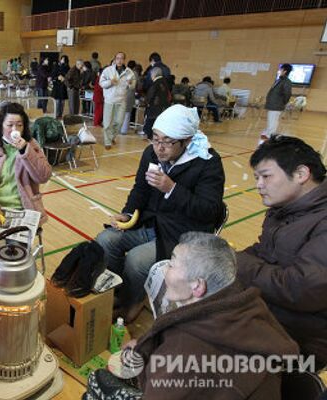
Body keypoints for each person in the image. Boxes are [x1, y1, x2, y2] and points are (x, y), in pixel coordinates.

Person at [129, 232, 299, 399]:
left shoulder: (184, 351)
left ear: (197, 286)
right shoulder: (250, 306)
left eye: (172, 264)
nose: (165, 268)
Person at [95, 104, 225, 321]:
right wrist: (128, 214)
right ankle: (119, 291)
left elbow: (209, 211)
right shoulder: (151, 154)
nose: (159, 147)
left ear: (187, 141)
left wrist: (172, 189)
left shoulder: (207, 163)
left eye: (168, 141)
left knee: (137, 261)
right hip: (150, 223)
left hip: (182, 232)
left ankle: (132, 301)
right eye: (155, 138)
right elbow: (140, 189)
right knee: (106, 240)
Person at [236, 135, 327, 367]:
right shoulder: (283, 209)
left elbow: (301, 289)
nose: (258, 185)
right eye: (257, 177)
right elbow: (263, 251)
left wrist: (237, 263)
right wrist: (222, 258)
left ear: (301, 174)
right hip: (268, 310)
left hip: (303, 336)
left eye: (265, 176)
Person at [0, 102, 51, 270]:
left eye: (19, 125)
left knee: (15, 246)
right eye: (10, 125)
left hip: (23, 209)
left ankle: (13, 280)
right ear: (1, 126)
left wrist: (24, 151)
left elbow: (44, 176)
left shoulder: (32, 146)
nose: (14, 129)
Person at [100, 52, 135, 150]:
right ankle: (107, 141)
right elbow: (101, 83)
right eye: (117, 58)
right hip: (109, 100)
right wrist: (110, 82)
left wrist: (130, 84)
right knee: (107, 123)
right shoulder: (108, 70)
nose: (119, 60)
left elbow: (133, 86)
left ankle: (111, 137)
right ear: (115, 59)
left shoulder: (129, 72)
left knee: (119, 122)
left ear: (124, 60)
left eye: (122, 58)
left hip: (121, 100)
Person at [261, 64, 292, 141]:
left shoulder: (286, 81)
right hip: (272, 104)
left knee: (273, 120)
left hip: (277, 105)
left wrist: (283, 103)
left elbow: (287, 94)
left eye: (280, 69)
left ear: (285, 71)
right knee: (270, 119)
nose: (279, 71)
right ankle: (268, 132)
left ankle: (270, 135)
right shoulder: (279, 80)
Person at [142, 67, 171, 140]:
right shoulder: (166, 82)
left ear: (153, 74)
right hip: (164, 107)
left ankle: (148, 135)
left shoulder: (155, 83)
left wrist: (146, 102)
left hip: (154, 107)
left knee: (150, 121)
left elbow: (151, 95)